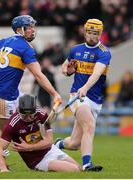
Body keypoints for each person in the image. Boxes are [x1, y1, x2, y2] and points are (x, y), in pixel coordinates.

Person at [0, 15, 62, 170]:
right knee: (6, 134)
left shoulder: (4, 41)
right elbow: (38, 75)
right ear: (19, 30)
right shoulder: (25, 47)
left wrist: (2, 66)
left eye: (33, 27)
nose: (32, 30)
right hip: (3, 98)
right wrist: (55, 94)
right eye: (28, 27)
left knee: (26, 112)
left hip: (8, 93)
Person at [55, 19, 111, 171]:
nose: (92, 36)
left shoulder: (104, 53)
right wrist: (68, 72)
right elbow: (64, 67)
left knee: (74, 143)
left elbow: (97, 73)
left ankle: (57, 145)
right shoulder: (75, 49)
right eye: (89, 32)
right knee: (90, 125)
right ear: (84, 32)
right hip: (77, 96)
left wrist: (85, 87)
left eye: (95, 33)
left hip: (94, 98)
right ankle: (87, 164)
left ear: (100, 34)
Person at [0, 94, 81, 172]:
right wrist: (3, 169)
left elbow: (49, 142)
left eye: (31, 115)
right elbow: (0, 148)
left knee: (80, 169)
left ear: (35, 111)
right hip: (38, 161)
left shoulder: (41, 115)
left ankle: (58, 146)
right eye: (24, 116)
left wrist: (29, 147)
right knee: (74, 169)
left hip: (51, 150)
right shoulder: (12, 124)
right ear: (18, 111)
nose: (28, 118)